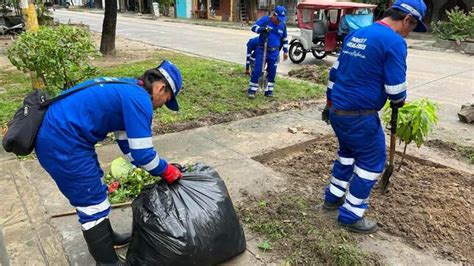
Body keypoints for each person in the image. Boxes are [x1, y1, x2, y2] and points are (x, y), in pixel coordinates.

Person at [35, 60, 184, 265]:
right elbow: (143, 154)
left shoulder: (130, 89)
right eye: (167, 99)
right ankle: (107, 262)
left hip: (67, 139)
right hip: (62, 144)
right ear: (160, 87)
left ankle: (108, 238)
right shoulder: (140, 100)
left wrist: (151, 166)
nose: (163, 105)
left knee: (95, 189)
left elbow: (127, 145)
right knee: (91, 203)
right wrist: (166, 170)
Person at [321, 0, 426, 233]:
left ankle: (333, 197)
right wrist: (400, 102)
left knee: (346, 155)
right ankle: (350, 215)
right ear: (407, 19)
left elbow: (334, 73)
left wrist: (329, 104)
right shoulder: (394, 42)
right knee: (371, 163)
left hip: (338, 111)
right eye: (412, 27)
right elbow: (395, 90)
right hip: (360, 117)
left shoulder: (358, 33)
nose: (409, 34)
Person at [247, 5, 289, 99]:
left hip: (274, 52)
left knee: (272, 72)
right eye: (277, 18)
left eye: (281, 19)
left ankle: (269, 91)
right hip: (262, 49)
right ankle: (252, 90)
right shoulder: (265, 20)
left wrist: (286, 51)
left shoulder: (282, 25)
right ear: (273, 15)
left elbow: (285, 38)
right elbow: (254, 27)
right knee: (257, 70)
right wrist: (263, 29)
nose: (279, 21)